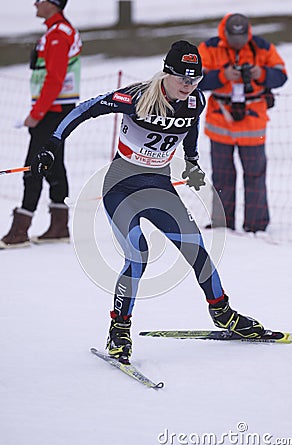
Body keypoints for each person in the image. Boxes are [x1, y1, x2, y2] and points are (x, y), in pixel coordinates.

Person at [30, 40, 265, 364]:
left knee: (196, 248)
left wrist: (192, 161)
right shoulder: (137, 97)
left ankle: (223, 313)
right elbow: (85, 109)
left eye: (195, 79)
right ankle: (119, 328)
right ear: (166, 73)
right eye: (183, 78)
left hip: (159, 186)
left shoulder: (195, 100)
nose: (189, 85)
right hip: (121, 188)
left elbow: (191, 128)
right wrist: (53, 144)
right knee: (138, 254)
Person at [0, 0, 82, 249]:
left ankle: (21, 229)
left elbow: (55, 79)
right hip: (56, 108)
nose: (34, 3)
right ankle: (59, 226)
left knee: (33, 166)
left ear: (53, 4)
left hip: (53, 110)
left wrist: (36, 113)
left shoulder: (58, 34)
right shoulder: (58, 30)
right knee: (54, 166)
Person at [198, 13, 287, 232]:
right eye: (234, 38)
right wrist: (223, 76)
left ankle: (256, 225)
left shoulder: (262, 47)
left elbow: (281, 76)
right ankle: (222, 224)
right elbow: (195, 78)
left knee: (255, 175)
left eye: (242, 37)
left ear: (248, 32)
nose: (239, 42)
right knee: (222, 176)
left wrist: (261, 73)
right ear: (225, 33)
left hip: (253, 124)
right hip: (221, 122)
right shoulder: (209, 48)